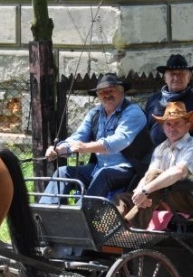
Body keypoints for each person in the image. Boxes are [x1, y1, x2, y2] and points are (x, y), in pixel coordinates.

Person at [39, 73, 148, 204]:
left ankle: (82, 216)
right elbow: (78, 136)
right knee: (62, 172)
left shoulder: (133, 112)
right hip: (99, 167)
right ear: (98, 96)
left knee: (103, 175)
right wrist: (59, 150)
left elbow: (119, 141)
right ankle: (47, 215)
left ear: (122, 91)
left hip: (128, 169)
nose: (107, 95)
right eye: (102, 92)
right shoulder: (95, 113)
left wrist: (86, 147)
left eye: (111, 90)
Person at [116, 101, 193, 229]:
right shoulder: (161, 148)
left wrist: (145, 190)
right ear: (163, 127)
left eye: (177, 123)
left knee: (156, 179)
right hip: (165, 195)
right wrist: (138, 192)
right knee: (121, 199)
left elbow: (179, 171)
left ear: (187, 126)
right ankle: (109, 228)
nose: (172, 128)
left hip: (192, 200)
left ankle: (133, 228)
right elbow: (148, 176)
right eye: (168, 124)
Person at [144, 54, 193, 145]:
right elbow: (145, 129)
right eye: (172, 74)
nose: (176, 78)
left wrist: (180, 147)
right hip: (155, 154)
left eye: (181, 74)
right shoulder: (153, 100)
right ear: (165, 77)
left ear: (189, 78)